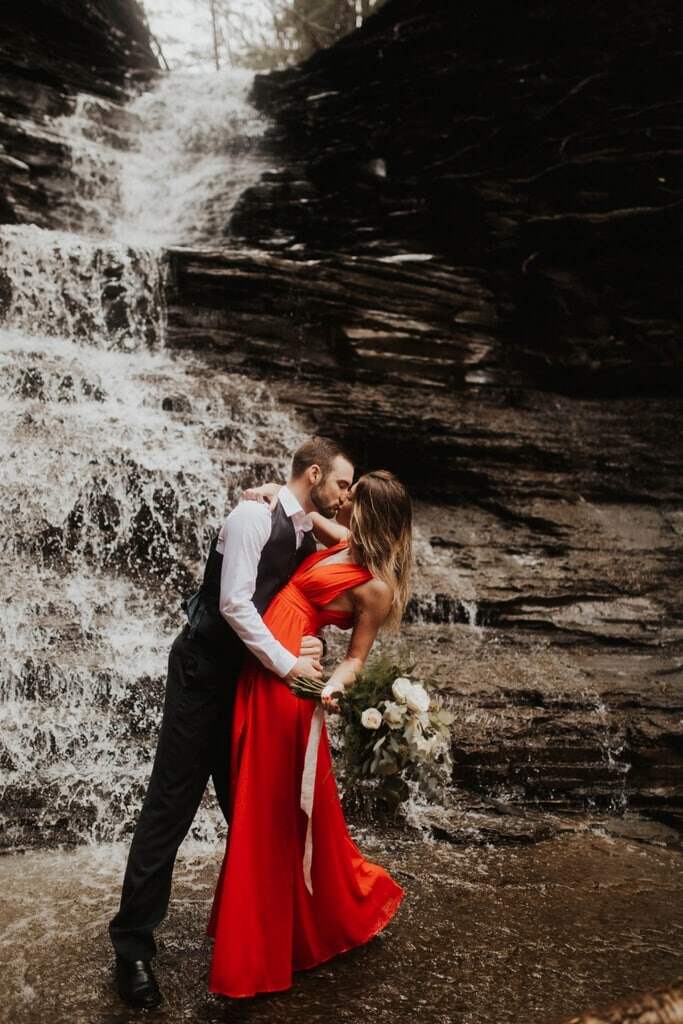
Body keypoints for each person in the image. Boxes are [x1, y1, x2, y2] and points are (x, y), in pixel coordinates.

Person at [109, 436, 355, 1009]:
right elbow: (234, 605)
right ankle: (132, 948)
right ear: (315, 473)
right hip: (203, 678)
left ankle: (264, 941)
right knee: (169, 809)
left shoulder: (299, 527)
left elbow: (348, 556)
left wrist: (312, 512)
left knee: (255, 814)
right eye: (342, 484)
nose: (346, 496)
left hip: (250, 689)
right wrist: (291, 662)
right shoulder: (252, 516)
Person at [207, 468, 413, 998]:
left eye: (355, 499)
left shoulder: (376, 587)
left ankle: (261, 950)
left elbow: (357, 660)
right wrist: (271, 492)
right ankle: (271, 929)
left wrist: (332, 688)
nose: (345, 503)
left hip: (289, 686)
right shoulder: (339, 537)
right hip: (268, 662)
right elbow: (300, 508)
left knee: (268, 811)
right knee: (263, 804)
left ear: (372, 513)